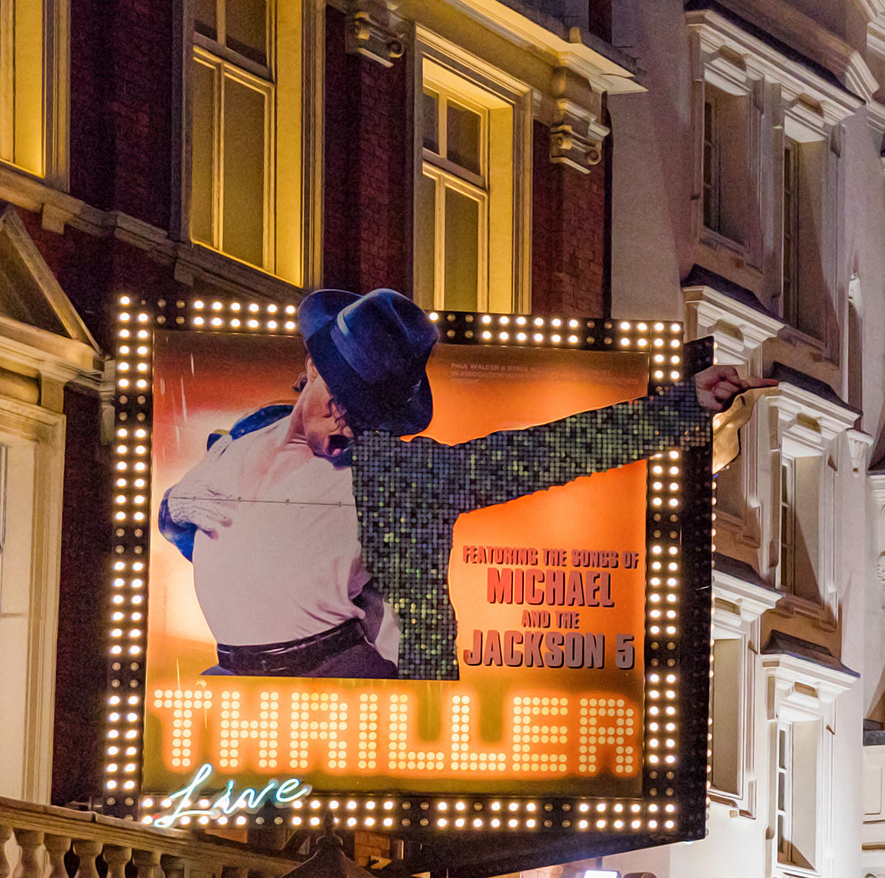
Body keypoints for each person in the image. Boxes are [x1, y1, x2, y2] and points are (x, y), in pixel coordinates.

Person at [159, 287, 772, 680]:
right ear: (313, 366)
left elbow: (544, 454)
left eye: (367, 412)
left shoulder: (403, 475)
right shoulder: (246, 431)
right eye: (343, 397)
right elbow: (198, 529)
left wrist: (681, 408)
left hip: (335, 677)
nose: (348, 418)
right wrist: (173, 506)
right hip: (229, 675)